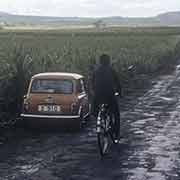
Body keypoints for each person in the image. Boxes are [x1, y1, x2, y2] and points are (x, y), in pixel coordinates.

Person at [91, 54, 122, 141]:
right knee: (116, 114)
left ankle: (99, 120)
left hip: (98, 96)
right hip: (110, 96)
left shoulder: (95, 71)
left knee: (95, 111)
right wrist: (119, 93)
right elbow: (118, 83)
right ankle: (116, 134)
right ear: (108, 61)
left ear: (100, 61)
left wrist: (94, 92)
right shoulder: (111, 70)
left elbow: (92, 83)